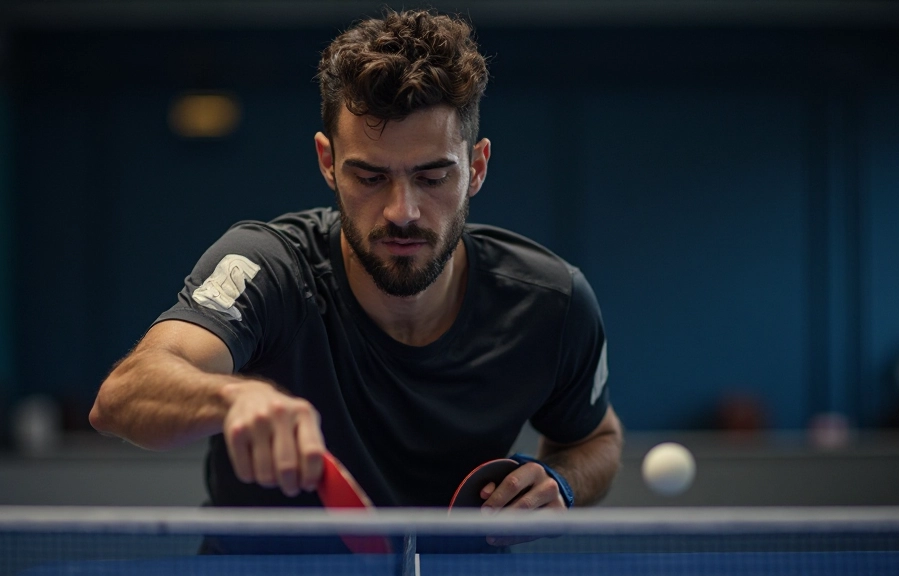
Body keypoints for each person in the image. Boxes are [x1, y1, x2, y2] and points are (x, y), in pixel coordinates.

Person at [90, 7, 622, 533]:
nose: (402, 211)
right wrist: (233, 396)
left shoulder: (553, 301)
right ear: (327, 162)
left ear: (476, 168)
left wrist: (563, 481)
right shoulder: (265, 267)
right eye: (369, 177)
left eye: (432, 177)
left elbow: (596, 440)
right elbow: (122, 396)